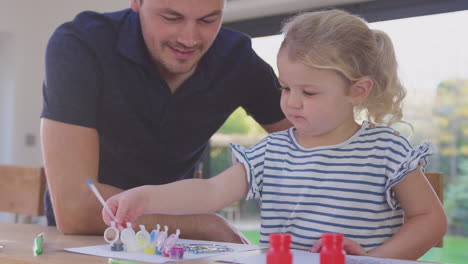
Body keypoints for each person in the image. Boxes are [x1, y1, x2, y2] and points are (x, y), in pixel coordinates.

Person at [102, 9, 447, 260]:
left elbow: (429, 220)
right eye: (284, 87)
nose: (291, 102)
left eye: (309, 93)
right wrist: (147, 197)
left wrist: (373, 259)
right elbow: (209, 191)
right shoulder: (272, 150)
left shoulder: (386, 149)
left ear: (357, 91)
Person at [40, 0, 291, 241]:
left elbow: (313, 141)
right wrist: (205, 225)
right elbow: (75, 211)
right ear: (137, 2)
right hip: (88, 241)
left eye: (208, 19)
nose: (189, 39)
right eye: (171, 18)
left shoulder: (238, 59)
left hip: (177, 245)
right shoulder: (82, 44)